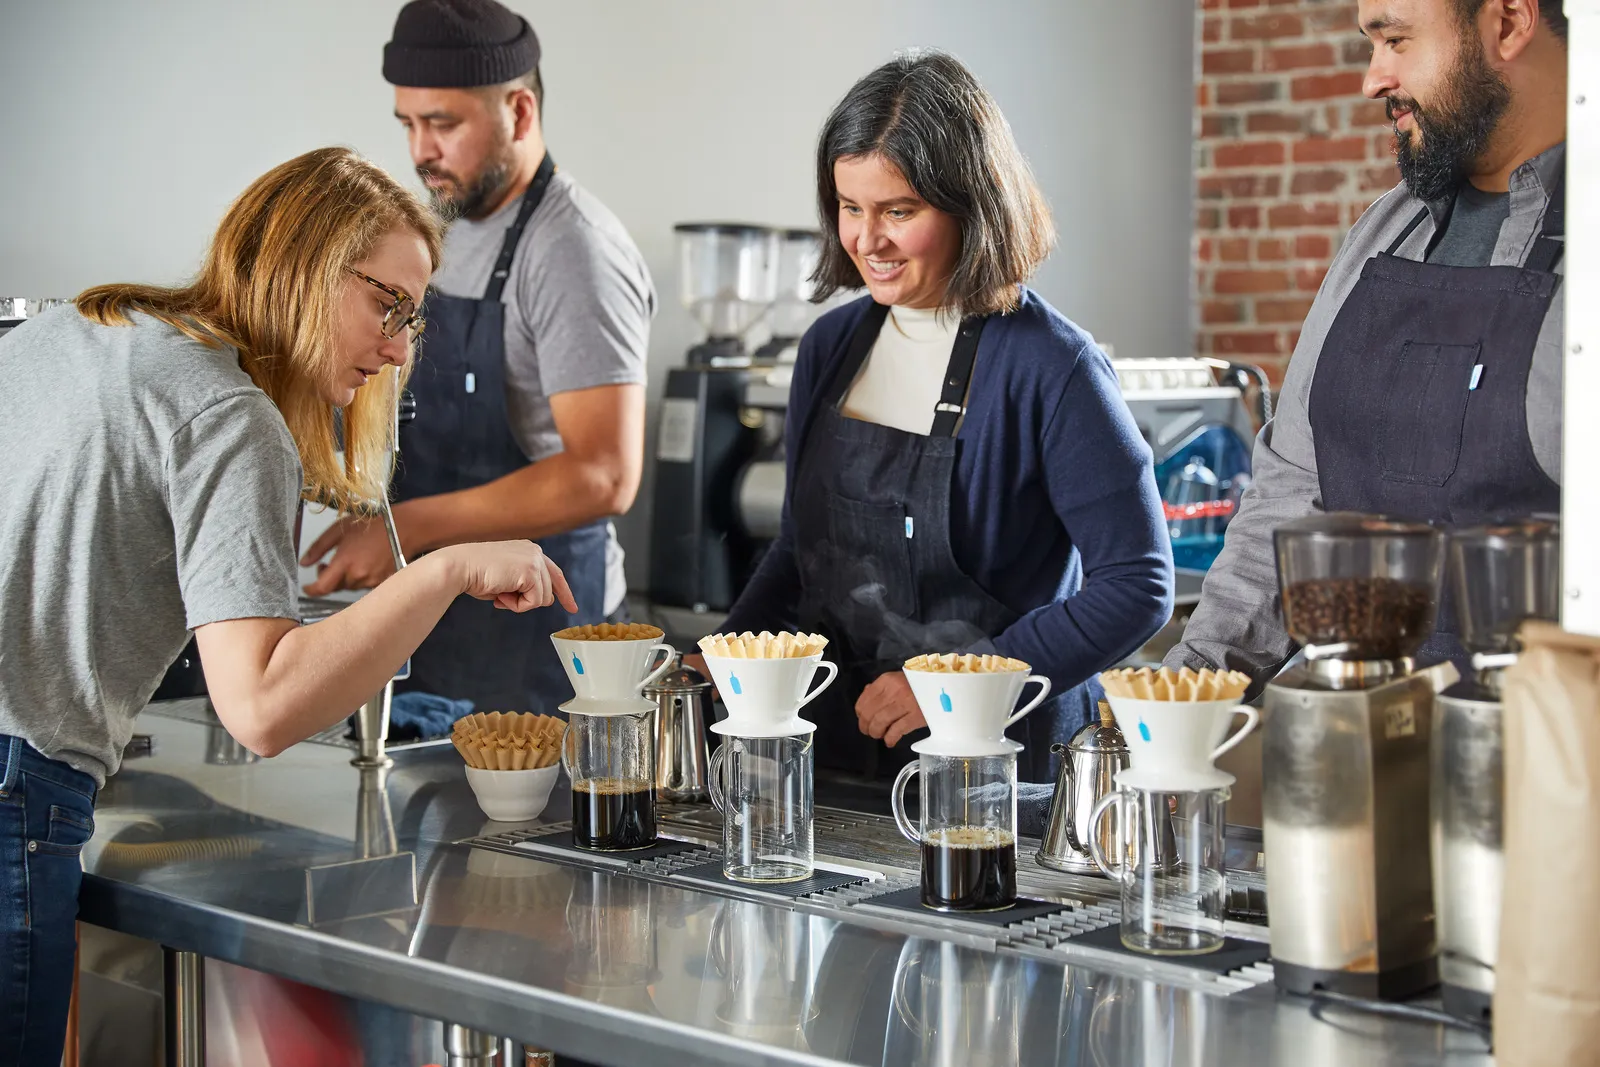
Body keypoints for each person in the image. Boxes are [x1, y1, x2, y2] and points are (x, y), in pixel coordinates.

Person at [0, 147, 577, 1065]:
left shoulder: (78, 330)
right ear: (306, 262)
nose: (396, 348)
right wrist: (441, 570)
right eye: (386, 304)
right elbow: (262, 708)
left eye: (411, 319)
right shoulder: (226, 412)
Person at [691, 51, 1174, 783]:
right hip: (838, 750)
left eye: (899, 211)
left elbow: (1137, 585)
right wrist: (723, 653)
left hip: (996, 766)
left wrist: (957, 681)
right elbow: (799, 547)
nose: (866, 240)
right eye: (850, 208)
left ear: (972, 206)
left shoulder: (1052, 366)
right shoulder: (831, 347)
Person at [1167, 0, 1568, 685]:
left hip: (1547, 762)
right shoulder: (1382, 234)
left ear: (1507, 23)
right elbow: (1291, 495)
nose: (1373, 78)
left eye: (1396, 40)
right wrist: (1189, 688)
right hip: (1351, 750)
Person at [300, 0, 656, 715]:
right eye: (408, 123)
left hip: (537, 637)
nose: (420, 150)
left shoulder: (571, 251)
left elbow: (604, 474)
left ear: (519, 113)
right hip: (433, 620)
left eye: (443, 123)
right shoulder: (436, 224)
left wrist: (405, 529)